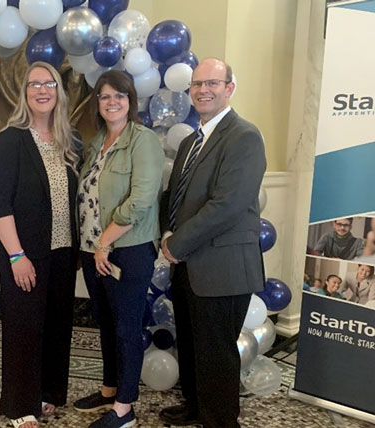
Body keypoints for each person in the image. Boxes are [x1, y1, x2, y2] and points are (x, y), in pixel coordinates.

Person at [159, 58, 266, 428]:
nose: (203, 90)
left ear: (229, 88)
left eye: (213, 83)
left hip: (223, 267)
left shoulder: (244, 136)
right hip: (189, 264)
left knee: (216, 353)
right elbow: (174, 197)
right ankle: (194, 407)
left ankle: (220, 420)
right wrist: (164, 234)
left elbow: (228, 205)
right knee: (190, 344)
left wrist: (176, 244)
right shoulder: (192, 140)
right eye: (197, 84)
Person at [0, 61, 80, 428]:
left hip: (62, 252)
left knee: (57, 326)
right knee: (23, 329)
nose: (42, 90)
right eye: (33, 84)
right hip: (23, 253)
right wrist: (15, 255)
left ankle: (47, 393)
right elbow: (0, 203)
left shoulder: (69, 141)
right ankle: (18, 405)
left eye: (49, 83)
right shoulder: (11, 139)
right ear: (24, 94)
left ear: (58, 91)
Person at [73, 70, 164, 428]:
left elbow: (140, 200)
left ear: (131, 101)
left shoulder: (143, 141)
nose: (111, 102)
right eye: (105, 96)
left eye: (119, 96)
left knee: (126, 328)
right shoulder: (96, 143)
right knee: (106, 324)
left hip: (126, 248)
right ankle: (110, 389)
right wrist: (93, 246)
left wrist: (105, 242)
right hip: (94, 249)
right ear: (97, 103)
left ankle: (125, 409)